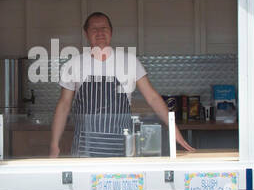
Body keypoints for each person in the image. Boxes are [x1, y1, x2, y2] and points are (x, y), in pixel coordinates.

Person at [50, 11, 194, 158]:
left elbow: (153, 98)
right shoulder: (74, 64)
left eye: (104, 28)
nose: (100, 32)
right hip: (85, 150)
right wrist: (54, 145)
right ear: (86, 34)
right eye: (94, 29)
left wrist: (175, 133)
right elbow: (64, 105)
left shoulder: (129, 62)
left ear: (111, 32)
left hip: (122, 149)